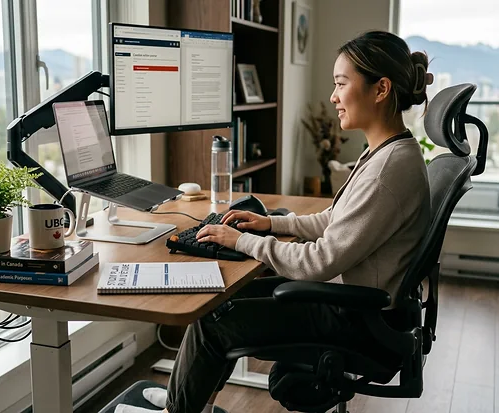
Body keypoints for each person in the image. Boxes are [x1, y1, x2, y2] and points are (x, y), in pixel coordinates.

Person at [115, 30, 433, 413]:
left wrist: (241, 241)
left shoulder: (388, 168)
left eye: (341, 84)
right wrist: (273, 225)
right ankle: (186, 403)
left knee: (213, 324)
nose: (333, 97)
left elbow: (319, 261)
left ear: (380, 89)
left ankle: (179, 409)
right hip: (359, 306)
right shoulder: (387, 152)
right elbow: (339, 220)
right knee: (219, 304)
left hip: (359, 321)